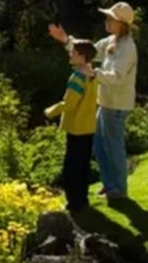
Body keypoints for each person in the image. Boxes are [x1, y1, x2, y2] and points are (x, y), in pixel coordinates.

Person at [48, 1, 139, 200]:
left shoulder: (128, 48)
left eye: (110, 18)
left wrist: (93, 72)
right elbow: (88, 51)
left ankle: (120, 190)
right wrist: (66, 40)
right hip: (105, 102)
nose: (106, 21)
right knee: (98, 145)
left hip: (117, 105)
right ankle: (110, 185)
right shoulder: (111, 41)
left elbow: (117, 77)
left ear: (121, 23)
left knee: (113, 147)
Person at [45, 39, 99, 212]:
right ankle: (82, 200)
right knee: (83, 165)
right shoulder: (92, 74)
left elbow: (69, 103)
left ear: (82, 56)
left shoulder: (78, 76)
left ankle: (73, 202)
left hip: (76, 127)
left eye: (74, 52)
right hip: (88, 126)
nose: (70, 54)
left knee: (72, 167)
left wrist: (50, 111)